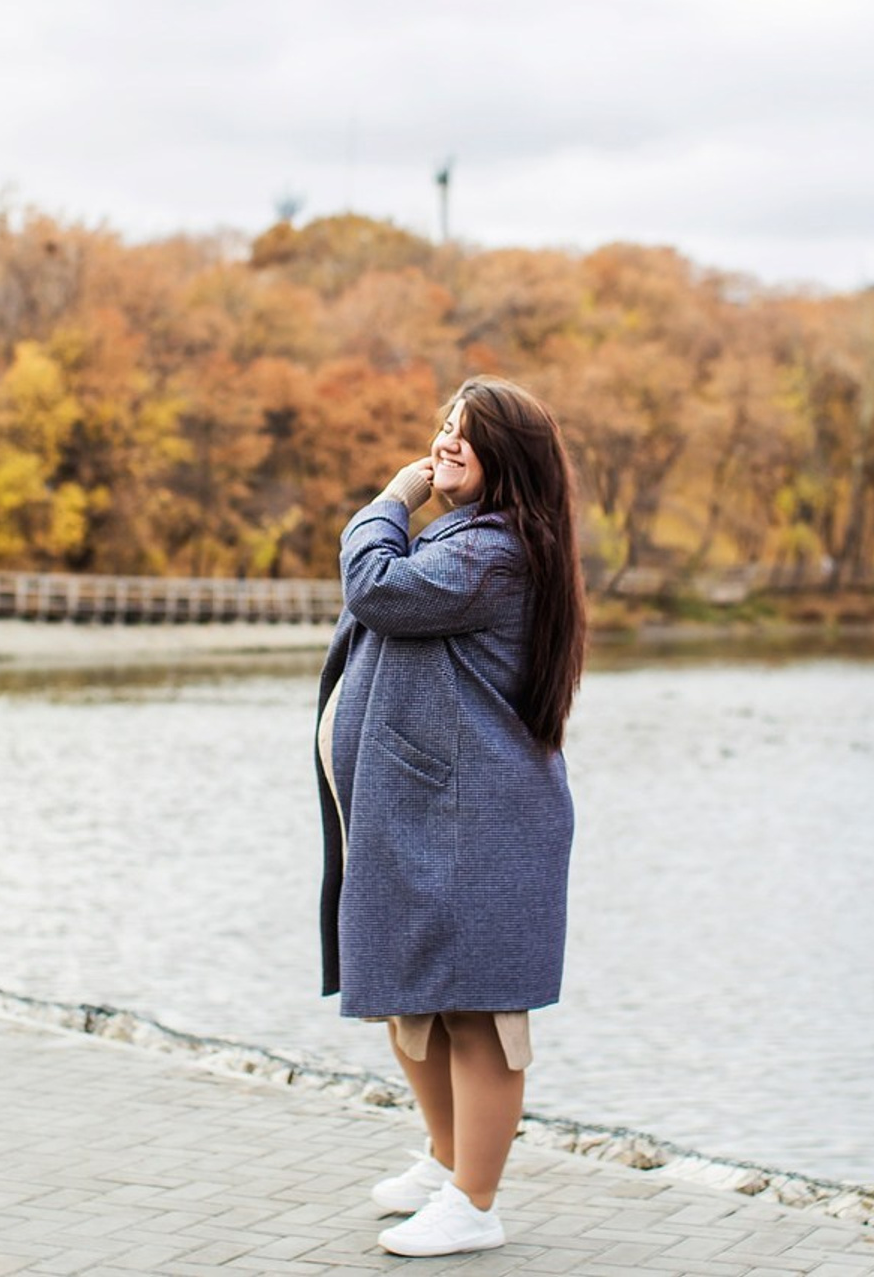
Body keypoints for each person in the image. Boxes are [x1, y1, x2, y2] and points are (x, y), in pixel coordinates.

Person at [315, 375, 586, 1258]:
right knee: (410, 1000)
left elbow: (376, 587)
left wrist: (393, 495)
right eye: (443, 427)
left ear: (512, 458)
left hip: (479, 825)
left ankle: (475, 1201)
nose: (445, 442)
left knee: (480, 1014)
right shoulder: (468, 538)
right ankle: (445, 1163)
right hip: (425, 816)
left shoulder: (496, 550)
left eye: (469, 433)